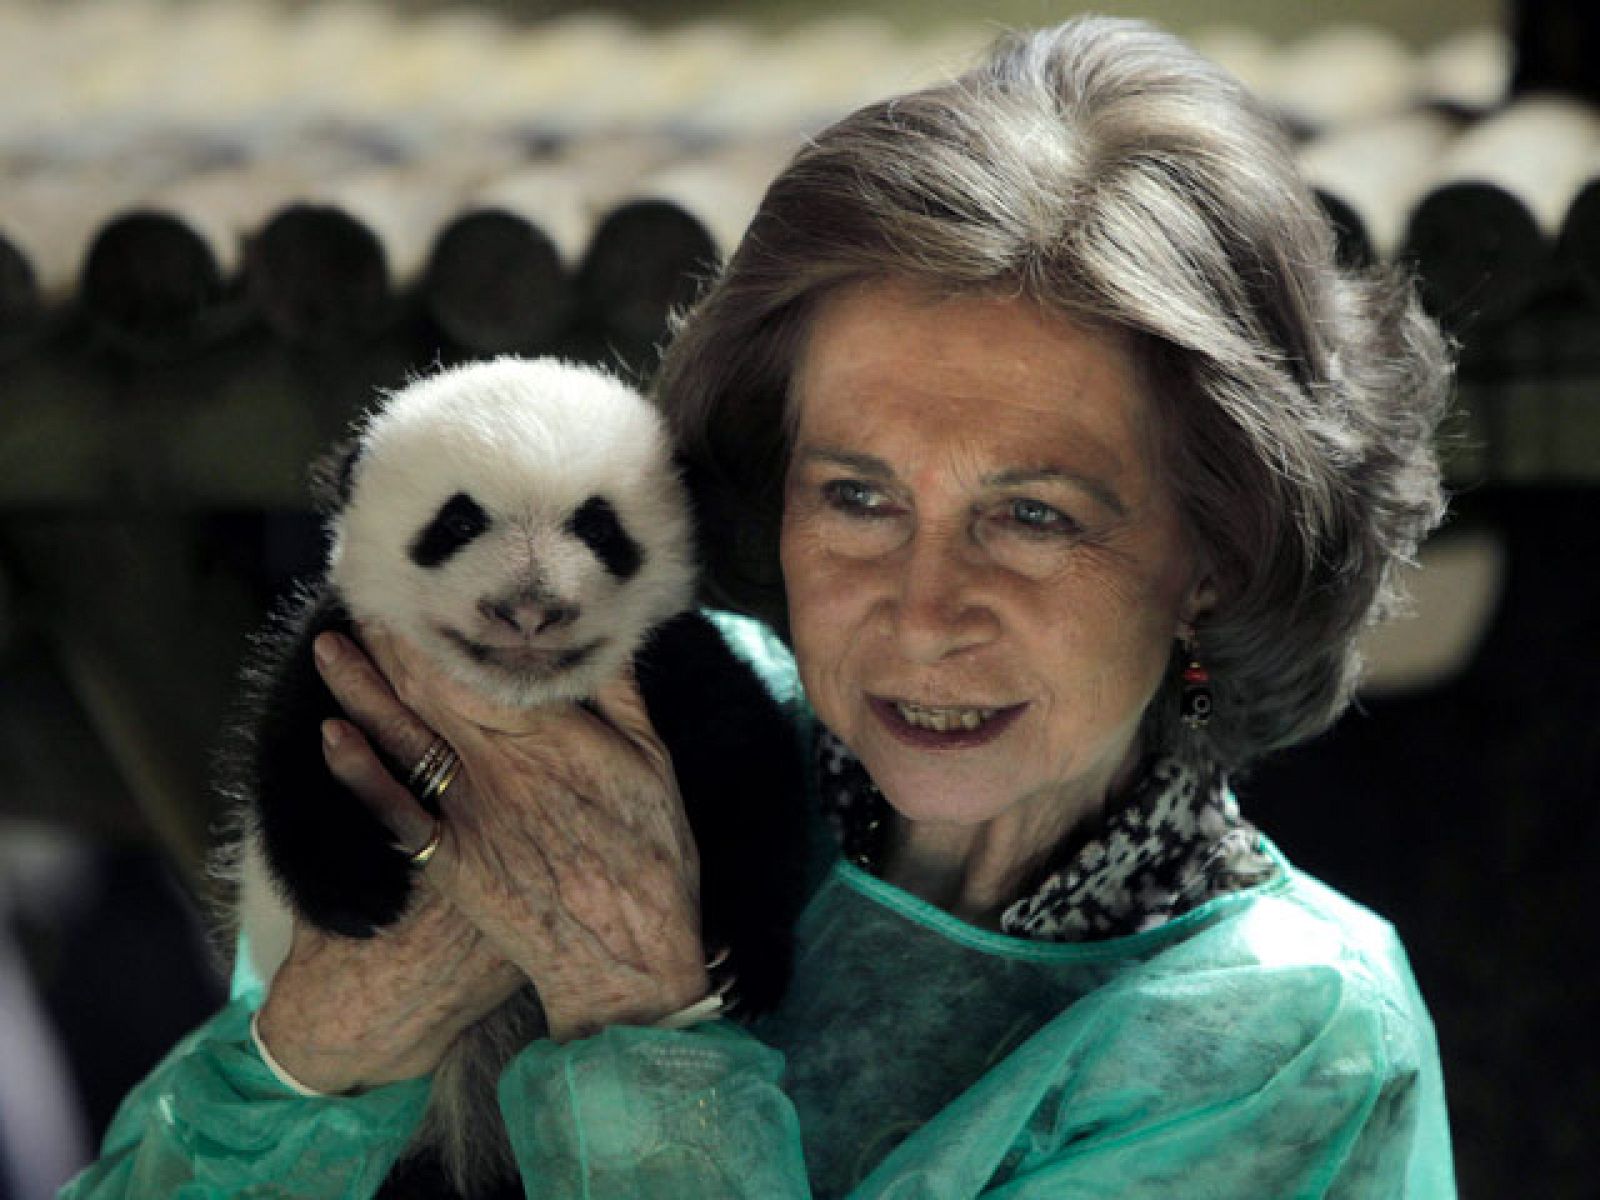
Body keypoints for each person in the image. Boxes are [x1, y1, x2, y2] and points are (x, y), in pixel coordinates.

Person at [62, 15, 1456, 1199]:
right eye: (855, 496)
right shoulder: (631, 744)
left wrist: (639, 1019)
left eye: (1033, 517)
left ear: (1213, 552)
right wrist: (322, 1042)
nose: (922, 610)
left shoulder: (1292, 1036)